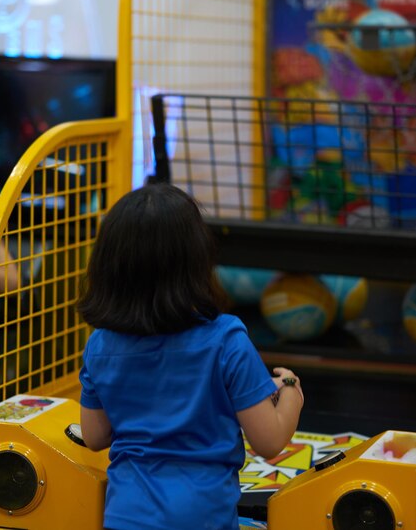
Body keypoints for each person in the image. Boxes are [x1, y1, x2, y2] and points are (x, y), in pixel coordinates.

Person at [78, 183, 304, 530]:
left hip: (125, 517)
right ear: (196, 259)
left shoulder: (101, 345)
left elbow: (94, 437)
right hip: (203, 518)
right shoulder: (226, 338)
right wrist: (290, 388)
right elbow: (270, 441)